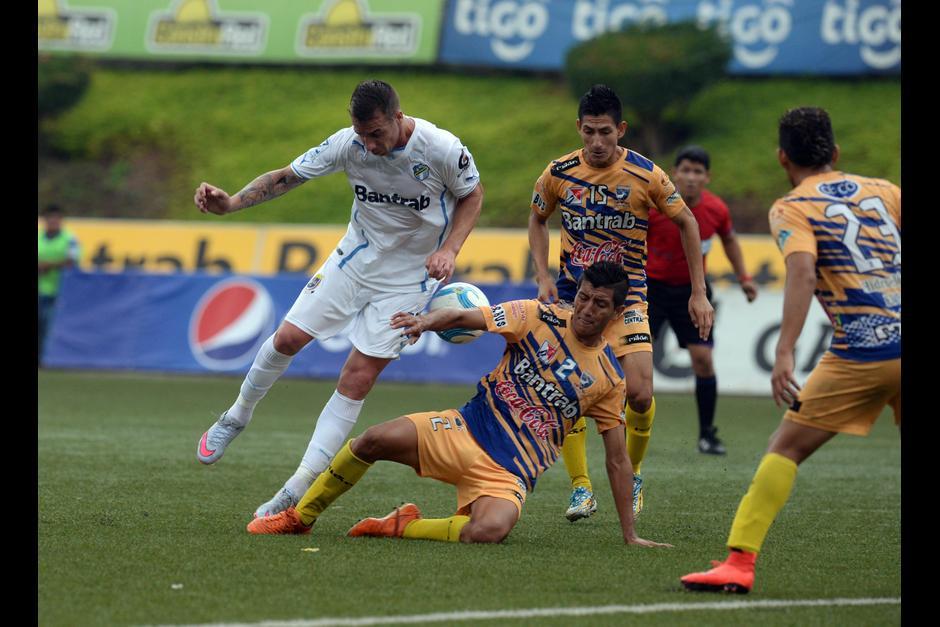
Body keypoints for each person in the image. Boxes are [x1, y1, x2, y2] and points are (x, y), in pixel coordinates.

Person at [193, 80, 484, 518]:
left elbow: (472, 195)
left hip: (410, 278)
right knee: (287, 339)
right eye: (361, 134)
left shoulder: (441, 148)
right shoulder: (347, 144)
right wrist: (231, 203)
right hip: (355, 257)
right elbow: (285, 177)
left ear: (399, 118)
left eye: (376, 134)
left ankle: (296, 487)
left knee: (357, 377)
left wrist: (450, 249)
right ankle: (236, 415)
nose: (368, 144)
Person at [247, 262, 671, 549]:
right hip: (463, 429)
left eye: (600, 304)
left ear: (616, 314)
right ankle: (300, 517)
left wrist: (629, 534)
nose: (586, 309)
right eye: (583, 297)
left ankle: (401, 525)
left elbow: (617, 461)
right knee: (371, 441)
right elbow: (466, 318)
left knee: (488, 531)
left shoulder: (609, 381)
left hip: (510, 471)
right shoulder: (535, 315)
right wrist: (425, 321)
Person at [680, 107, 900, 593]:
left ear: (783, 157)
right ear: (836, 153)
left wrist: (784, 351)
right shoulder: (886, 191)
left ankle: (738, 562)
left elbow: (801, 272)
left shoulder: (793, 206)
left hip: (863, 351)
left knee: (785, 448)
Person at [528, 85, 713, 522]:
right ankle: (581, 488)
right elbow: (537, 218)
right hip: (576, 299)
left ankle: (632, 475)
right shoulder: (557, 173)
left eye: (605, 132)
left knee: (641, 394)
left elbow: (687, 221)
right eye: (588, 131)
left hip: (628, 300)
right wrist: (541, 275)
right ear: (578, 128)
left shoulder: (647, 175)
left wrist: (699, 292)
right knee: (569, 391)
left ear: (621, 130)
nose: (595, 142)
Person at [647, 146, 759, 456]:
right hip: (651, 290)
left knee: (703, 360)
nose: (691, 178)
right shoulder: (655, 206)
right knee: (635, 359)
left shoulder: (716, 210)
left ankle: (707, 434)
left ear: (707, 177)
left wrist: (745, 279)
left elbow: (731, 241)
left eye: (698, 172)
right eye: (686, 170)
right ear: (675, 173)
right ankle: (619, 427)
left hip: (692, 292)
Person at [38, 204, 81, 364]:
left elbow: (72, 261)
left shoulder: (69, 239)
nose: (53, 221)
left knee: (49, 326)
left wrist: (48, 265)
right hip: (40, 288)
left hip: (59, 290)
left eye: (57, 218)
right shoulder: (39, 238)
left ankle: (48, 358)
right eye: (50, 218)